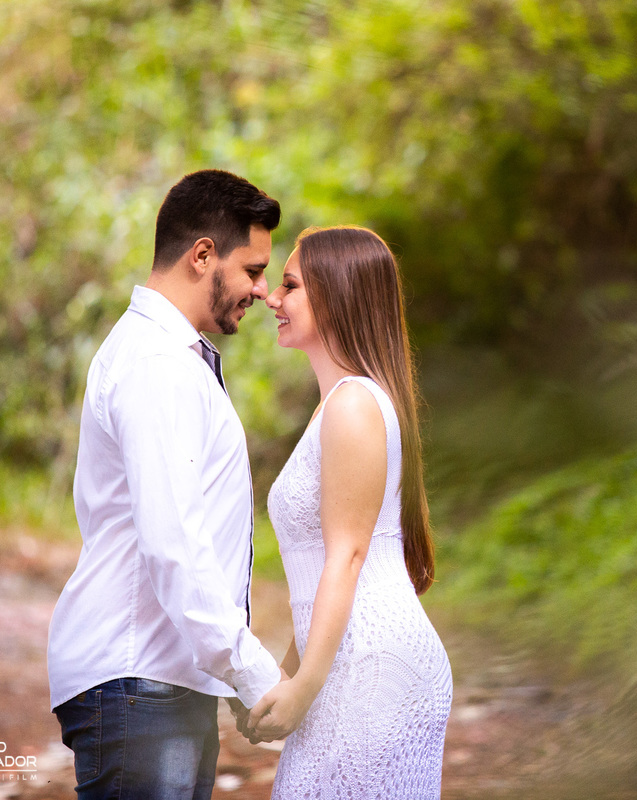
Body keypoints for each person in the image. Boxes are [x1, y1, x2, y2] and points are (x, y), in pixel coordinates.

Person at [47, 169, 285, 800]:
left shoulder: (167, 357)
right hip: (140, 681)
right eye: (253, 270)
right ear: (202, 255)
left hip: (157, 680)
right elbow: (174, 542)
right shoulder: (157, 363)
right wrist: (253, 674)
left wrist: (227, 676)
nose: (262, 291)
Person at [246, 226, 453, 799]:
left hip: (372, 667)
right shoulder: (337, 405)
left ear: (336, 295)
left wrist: (302, 688)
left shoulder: (354, 404)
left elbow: (348, 556)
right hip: (346, 661)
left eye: (290, 286)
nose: (272, 298)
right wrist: (287, 676)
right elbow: (319, 573)